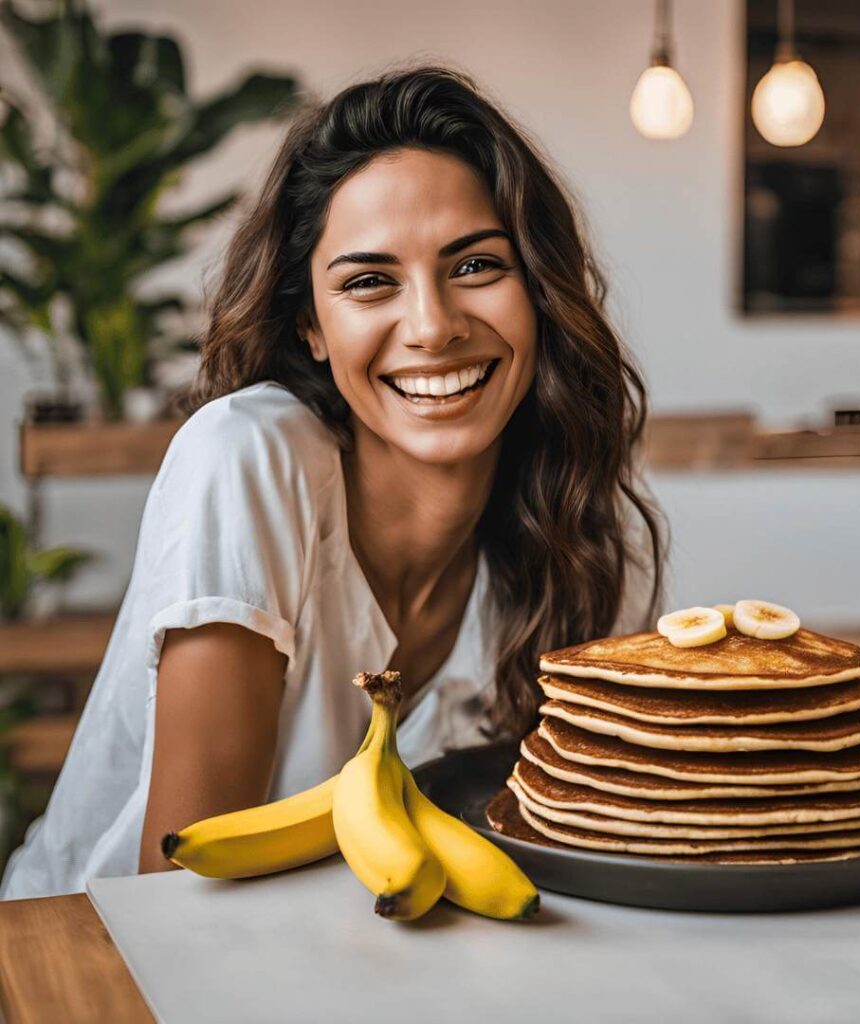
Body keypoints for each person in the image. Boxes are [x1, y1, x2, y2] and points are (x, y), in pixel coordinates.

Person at [1, 63, 666, 898]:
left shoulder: (588, 546)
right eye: (368, 282)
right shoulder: (248, 461)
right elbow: (183, 896)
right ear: (311, 326)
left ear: (538, 288)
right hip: (89, 973)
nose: (431, 326)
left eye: (475, 266)